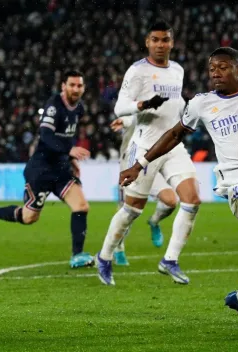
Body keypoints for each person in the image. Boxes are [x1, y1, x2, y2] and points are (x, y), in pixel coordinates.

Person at [118, 46, 238, 319]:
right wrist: (140, 164)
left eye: (222, 67)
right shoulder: (202, 103)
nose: (216, 73)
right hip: (236, 185)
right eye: (212, 69)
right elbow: (174, 134)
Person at [96, 20, 201, 286]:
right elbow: (120, 106)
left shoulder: (177, 70)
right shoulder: (138, 71)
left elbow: (176, 105)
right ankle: (105, 256)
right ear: (147, 42)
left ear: (172, 42)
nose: (160, 44)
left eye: (165, 40)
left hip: (173, 145)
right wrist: (141, 105)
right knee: (132, 210)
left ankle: (170, 260)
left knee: (192, 200)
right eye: (155, 40)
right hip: (144, 147)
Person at [0, 70, 94, 268]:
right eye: (72, 85)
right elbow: (46, 136)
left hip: (62, 169)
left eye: (79, 85)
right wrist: (70, 150)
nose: (76, 89)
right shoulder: (54, 106)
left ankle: (77, 256)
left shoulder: (78, 109)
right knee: (29, 217)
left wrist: (70, 158)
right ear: (63, 86)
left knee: (81, 206)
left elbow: (66, 136)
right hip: (41, 170)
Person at [110, 115, 178, 266]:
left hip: (152, 164)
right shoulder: (136, 105)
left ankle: (154, 221)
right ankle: (118, 249)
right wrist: (124, 121)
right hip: (130, 166)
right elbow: (132, 118)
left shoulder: (164, 108)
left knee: (171, 201)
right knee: (127, 212)